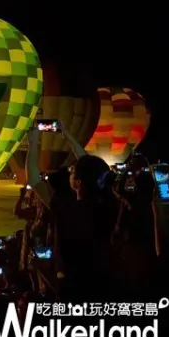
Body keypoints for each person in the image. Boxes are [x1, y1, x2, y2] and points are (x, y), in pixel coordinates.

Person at [26, 122, 116, 300]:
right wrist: (67, 134)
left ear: (78, 182)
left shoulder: (68, 209)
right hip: (103, 284)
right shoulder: (109, 204)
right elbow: (91, 168)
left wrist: (33, 142)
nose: (70, 173)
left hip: (74, 288)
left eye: (72, 172)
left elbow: (34, 180)